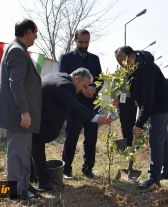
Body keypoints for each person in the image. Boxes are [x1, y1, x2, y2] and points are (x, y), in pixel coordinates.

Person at [31, 68, 112, 191]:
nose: (83, 89)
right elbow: (74, 106)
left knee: (34, 148)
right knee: (36, 146)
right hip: (35, 120)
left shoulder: (59, 76)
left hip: (36, 116)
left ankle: (34, 177)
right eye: (84, 85)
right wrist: (96, 117)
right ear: (76, 79)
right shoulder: (65, 85)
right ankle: (43, 182)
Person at [0, 19, 41, 200]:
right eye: (35, 32)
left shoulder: (17, 49)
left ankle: (24, 185)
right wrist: (24, 111)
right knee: (17, 153)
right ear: (28, 32)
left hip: (21, 113)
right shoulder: (17, 51)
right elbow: (16, 83)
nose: (36, 36)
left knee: (24, 151)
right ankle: (16, 191)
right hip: (19, 114)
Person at [115, 46, 168, 190]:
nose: (123, 66)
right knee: (162, 137)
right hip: (151, 104)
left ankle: (153, 178)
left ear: (133, 56)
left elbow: (149, 101)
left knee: (155, 140)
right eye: (120, 63)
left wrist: (139, 124)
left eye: (124, 62)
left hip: (160, 106)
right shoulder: (134, 68)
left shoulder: (147, 70)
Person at [59, 29, 103, 179]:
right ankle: (66, 170)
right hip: (74, 106)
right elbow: (63, 79)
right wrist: (79, 90)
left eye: (86, 42)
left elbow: (100, 79)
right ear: (74, 40)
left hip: (92, 105)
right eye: (81, 42)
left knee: (91, 139)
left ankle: (88, 168)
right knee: (71, 138)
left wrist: (94, 88)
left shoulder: (95, 59)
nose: (84, 45)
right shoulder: (66, 58)